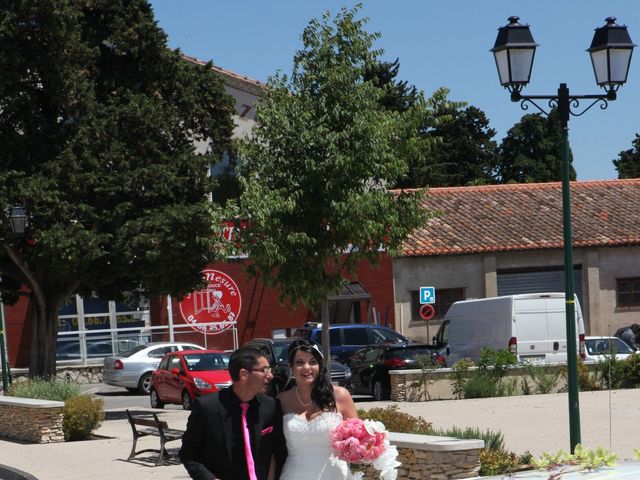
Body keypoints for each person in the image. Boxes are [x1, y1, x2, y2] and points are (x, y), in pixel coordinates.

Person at [179, 346, 287, 480]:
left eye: (269, 369)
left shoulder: (271, 406)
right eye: (264, 370)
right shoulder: (207, 407)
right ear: (244, 375)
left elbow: (278, 452)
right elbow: (188, 454)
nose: (270, 375)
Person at [277, 339, 358, 480]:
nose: (306, 367)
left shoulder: (340, 396)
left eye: (313, 362)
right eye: (300, 362)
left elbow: (358, 438)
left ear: (320, 365)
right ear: (291, 366)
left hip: (335, 475)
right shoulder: (282, 400)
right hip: (293, 474)